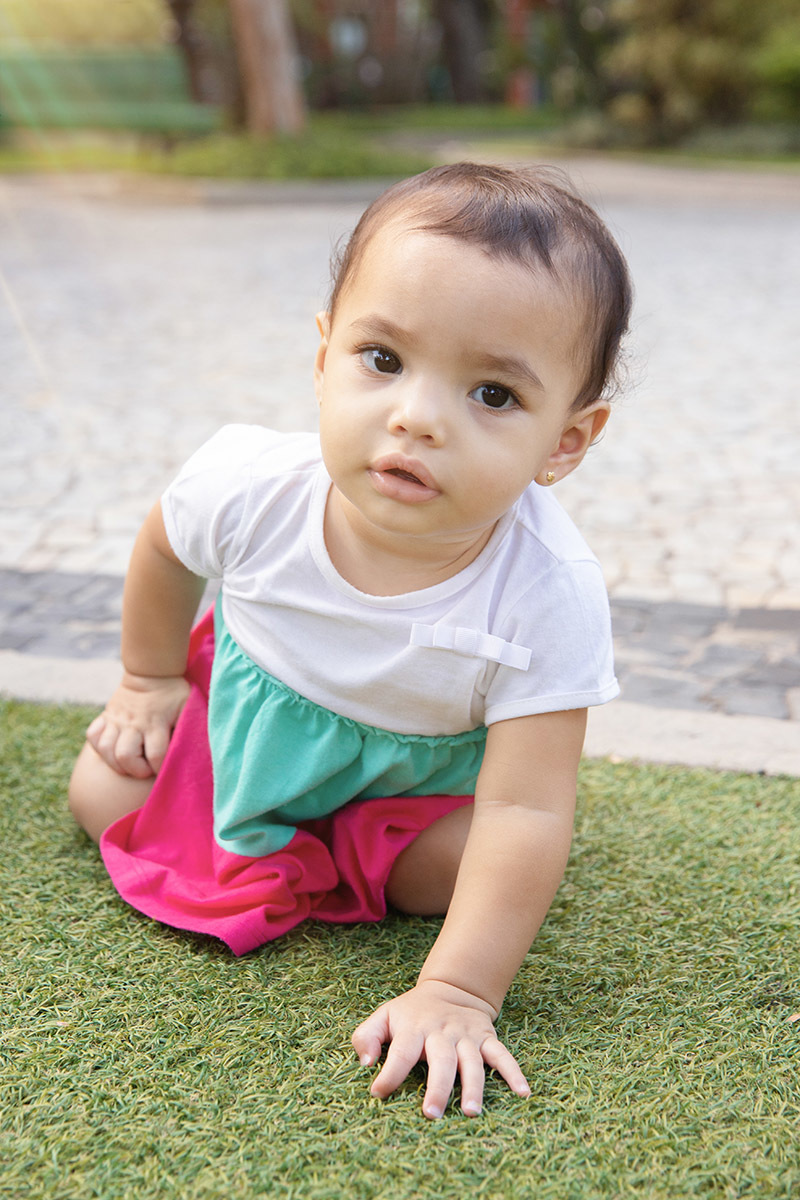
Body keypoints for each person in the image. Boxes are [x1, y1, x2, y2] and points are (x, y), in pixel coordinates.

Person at [69, 161, 632, 1121]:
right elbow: (166, 543)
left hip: (417, 785)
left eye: (493, 394)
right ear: (325, 354)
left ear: (565, 443)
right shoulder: (252, 485)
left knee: (460, 876)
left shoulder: (550, 591)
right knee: (103, 784)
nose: (417, 416)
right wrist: (147, 678)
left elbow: (529, 808)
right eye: (383, 359)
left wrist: (458, 991)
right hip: (254, 730)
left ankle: (349, 855)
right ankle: (274, 826)